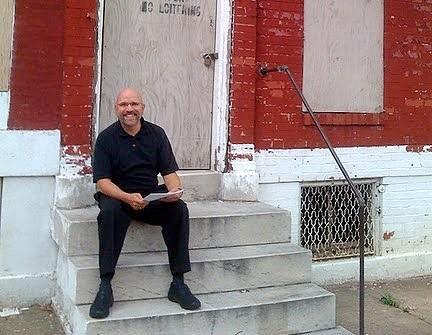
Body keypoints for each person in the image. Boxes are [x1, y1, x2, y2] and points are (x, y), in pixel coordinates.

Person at [89, 88, 201, 319]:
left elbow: (170, 174)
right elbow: (102, 182)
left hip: (148, 197)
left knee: (179, 209)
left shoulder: (156, 134)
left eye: (134, 104)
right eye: (123, 105)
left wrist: (174, 192)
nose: (129, 109)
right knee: (108, 211)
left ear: (142, 107)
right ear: (116, 109)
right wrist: (127, 197)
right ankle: (105, 286)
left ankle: (178, 284)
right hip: (118, 198)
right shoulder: (106, 139)